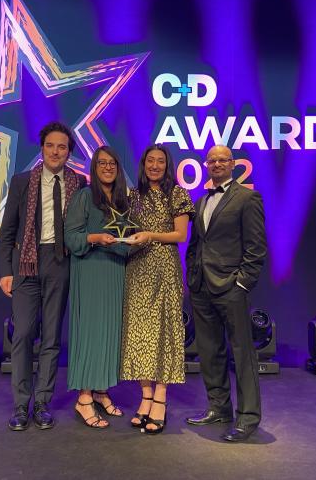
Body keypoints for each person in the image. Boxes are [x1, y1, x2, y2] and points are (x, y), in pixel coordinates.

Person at [0, 122, 86, 431]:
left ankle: (43, 402)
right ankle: (21, 404)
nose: (56, 151)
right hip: (26, 263)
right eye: (51, 145)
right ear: (42, 148)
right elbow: (8, 230)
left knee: (51, 337)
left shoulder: (80, 183)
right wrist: (5, 271)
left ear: (69, 152)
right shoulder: (23, 182)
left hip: (60, 262)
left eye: (62, 146)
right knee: (22, 334)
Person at [184, 145, 267, 443]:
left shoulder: (247, 198)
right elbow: (196, 244)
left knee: (242, 353)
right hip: (201, 288)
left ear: (233, 164)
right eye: (212, 160)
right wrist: (192, 276)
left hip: (231, 287)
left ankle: (248, 418)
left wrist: (242, 283)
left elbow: (256, 248)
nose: (217, 164)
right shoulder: (201, 200)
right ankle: (219, 408)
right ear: (206, 165)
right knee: (210, 352)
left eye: (222, 160)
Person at [120, 144, 194, 435]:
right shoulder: (132, 196)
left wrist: (150, 235)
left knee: (163, 331)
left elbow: (180, 234)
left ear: (167, 165)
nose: (154, 165)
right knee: (139, 333)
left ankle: (161, 398)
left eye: (160, 161)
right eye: (149, 160)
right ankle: (145, 397)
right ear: (143, 164)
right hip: (137, 269)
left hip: (164, 268)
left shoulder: (176, 193)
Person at [64, 146, 130, 429]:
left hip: (115, 271)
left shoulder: (123, 201)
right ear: (94, 167)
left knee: (109, 334)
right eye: (102, 163)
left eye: (112, 163)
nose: (107, 167)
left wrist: (127, 246)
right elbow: (71, 237)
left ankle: (101, 390)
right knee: (90, 333)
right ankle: (84, 397)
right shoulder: (82, 196)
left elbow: (130, 239)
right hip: (90, 270)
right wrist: (96, 237)